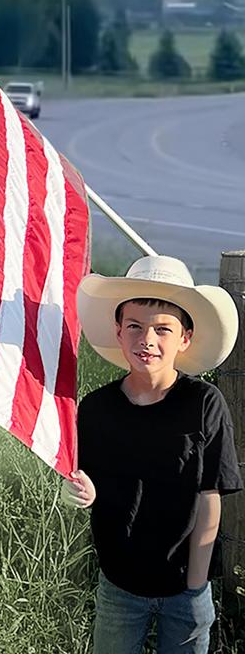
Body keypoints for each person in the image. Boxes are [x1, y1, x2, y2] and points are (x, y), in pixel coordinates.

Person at [65, 255, 241, 654]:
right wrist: (79, 491)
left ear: (185, 338)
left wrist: (196, 584)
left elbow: (210, 496)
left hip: (185, 584)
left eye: (163, 329)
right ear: (118, 331)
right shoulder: (95, 409)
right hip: (119, 584)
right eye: (135, 326)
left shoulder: (204, 402)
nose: (147, 339)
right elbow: (86, 480)